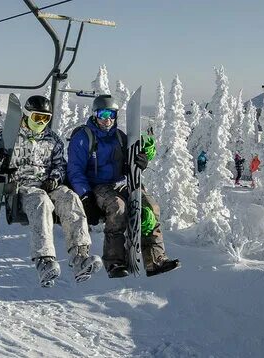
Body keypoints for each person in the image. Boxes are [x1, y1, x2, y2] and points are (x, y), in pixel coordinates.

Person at [0, 95, 102, 288]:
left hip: (47, 185)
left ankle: (80, 257)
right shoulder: (9, 136)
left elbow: (60, 165)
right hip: (22, 189)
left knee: (70, 198)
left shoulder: (53, 140)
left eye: (46, 118)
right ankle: (44, 260)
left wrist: (55, 178)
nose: (42, 122)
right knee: (41, 200)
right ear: (27, 115)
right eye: (37, 118)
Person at [67, 94, 180, 279]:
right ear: (95, 114)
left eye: (111, 114)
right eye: (103, 114)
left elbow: (132, 156)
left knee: (151, 207)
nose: (108, 119)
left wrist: (141, 161)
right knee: (118, 208)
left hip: (122, 183)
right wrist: (85, 197)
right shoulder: (83, 138)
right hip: (98, 186)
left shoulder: (119, 136)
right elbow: (75, 171)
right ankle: (114, 262)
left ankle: (155, 260)